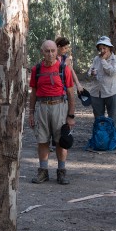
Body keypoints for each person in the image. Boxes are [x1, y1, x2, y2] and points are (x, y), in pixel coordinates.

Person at [28, 40, 77, 185]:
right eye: (47, 51)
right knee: (42, 140)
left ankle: (61, 172)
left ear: (57, 51)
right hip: (42, 107)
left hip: (59, 106)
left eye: (53, 51)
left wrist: (71, 116)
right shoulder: (36, 69)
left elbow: (70, 93)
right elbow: (33, 93)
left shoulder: (64, 68)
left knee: (60, 141)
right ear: (42, 52)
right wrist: (31, 113)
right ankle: (43, 172)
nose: (50, 54)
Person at [84, 35, 116, 128]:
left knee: (113, 118)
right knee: (98, 119)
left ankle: (112, 139)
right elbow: (89, 73)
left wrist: (103, 61)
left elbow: (112, 72)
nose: (102, 50)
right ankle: (100, 139)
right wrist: (91, 73)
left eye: (104, 48)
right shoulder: (96, 59)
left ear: (109, 48)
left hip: (111, 92)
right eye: (100, 48)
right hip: (96, 93)